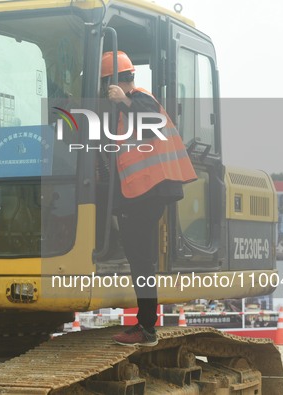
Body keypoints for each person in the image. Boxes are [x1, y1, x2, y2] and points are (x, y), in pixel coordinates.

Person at [99, 51, 197, 346]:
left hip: (146, 194)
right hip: (140, 194)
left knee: (142, 261)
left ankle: (146, 328)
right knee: (140, 260)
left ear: (115, 83)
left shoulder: (141, 100)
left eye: (107, 86)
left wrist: (123, 100)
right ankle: (145, 326)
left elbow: (149, 119)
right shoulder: (123, 111)